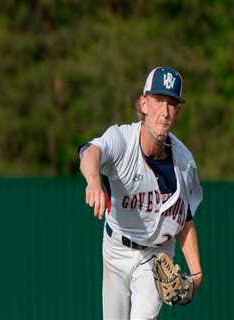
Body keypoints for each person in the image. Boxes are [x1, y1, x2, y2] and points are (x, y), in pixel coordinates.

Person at [79, 67, 203, 319]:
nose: (164, 112)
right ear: (144, 103)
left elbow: (185, 221)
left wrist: (197, 275)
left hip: (156, 256)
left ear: (177, 113)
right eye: (159, 100)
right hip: (116, 250)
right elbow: (90, 152)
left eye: (171, 104)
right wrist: (93, 181)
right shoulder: (122, 140)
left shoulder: (184, 163)